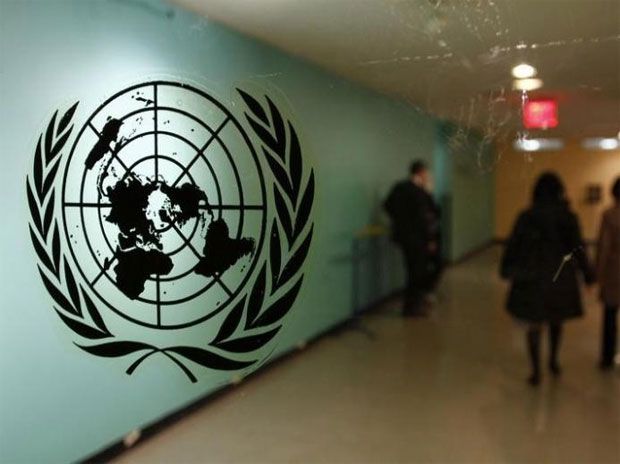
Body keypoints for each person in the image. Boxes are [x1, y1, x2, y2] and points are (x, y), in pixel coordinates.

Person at [500, 172, 594, 386]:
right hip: (560, 277)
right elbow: (578, 248)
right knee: (556, 320)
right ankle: (553, 361)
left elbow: (513, 245)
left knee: (534, 324)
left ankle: (535, 372)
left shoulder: (527, 216)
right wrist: (588, 276)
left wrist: (506, 269)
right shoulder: (568, 216)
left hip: (532, 278)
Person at [384, 160, 441, 317]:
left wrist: (400, 223)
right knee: (417, 272)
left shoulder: (400, 187)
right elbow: (430, 215)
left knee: (413, 271)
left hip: (405, 238)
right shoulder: (421, 192)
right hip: (418, 239)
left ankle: (414, 304)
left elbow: (387, 205)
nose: (428, 176)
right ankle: (412, 307)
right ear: (421, 173)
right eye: (426, 173)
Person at [596, 176, 620, 370]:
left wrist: (599, 275)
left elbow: (604, 247)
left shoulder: (609, 215)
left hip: (614, 272)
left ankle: (607, 358)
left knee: (610, 317)